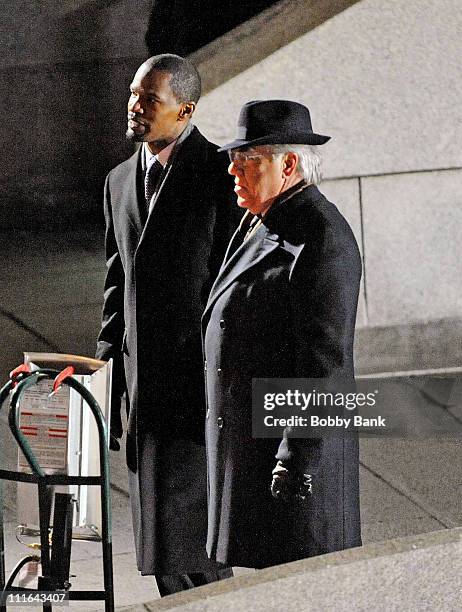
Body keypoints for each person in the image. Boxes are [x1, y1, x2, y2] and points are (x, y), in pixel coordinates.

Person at [96, 54, 237, 595]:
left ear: (185, 110)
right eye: (134, 95)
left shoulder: (220, 175)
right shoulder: (117, 183)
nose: (135, 107)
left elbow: (235, 285)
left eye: (150, 100)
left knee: (196, 546)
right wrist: (107, 382)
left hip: (198, 393)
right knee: (159, 547)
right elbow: (116, 290)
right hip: (145, 398)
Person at [202, 99, 362, 569]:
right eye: (234, 160)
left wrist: (294, 460)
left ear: (288, 164)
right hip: (250, 451)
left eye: (248, 161)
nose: (235, 172)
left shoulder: (322, 237)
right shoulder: (260, 219)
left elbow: (324, 369)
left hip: (286, 466)